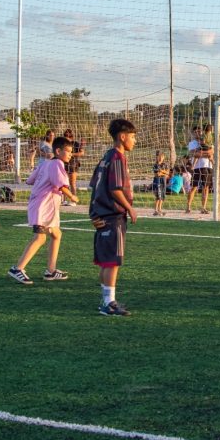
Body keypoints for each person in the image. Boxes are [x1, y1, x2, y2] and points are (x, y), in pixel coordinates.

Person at [7, 135, 78, 285]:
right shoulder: (57, 163)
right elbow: (61, 185)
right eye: (68, 151)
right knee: (40, 238)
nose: (71, 154)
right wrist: (72, 196)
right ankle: (17, 269)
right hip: (43, 207)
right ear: (58, 151)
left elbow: (29, 180)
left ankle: (50, 271)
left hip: (45, 206)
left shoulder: (45, 163)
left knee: (56, 234)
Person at [89, 118, 137, 317]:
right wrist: (130, 208)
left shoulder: (106, 156)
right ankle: (108, 303)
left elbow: (94, 186)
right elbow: (115, 189)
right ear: (122, 136)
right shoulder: (117, 157)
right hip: (113, 215)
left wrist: (93, 213)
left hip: (102, 214)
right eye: (133, 137)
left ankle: (106, 299)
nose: (134, 141)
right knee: (112, 261)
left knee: (105, 261)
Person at [186, 127, 214, 214]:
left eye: (199, 131)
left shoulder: (208, 141)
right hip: (197, 168)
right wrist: (204, 154)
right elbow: (194, 154)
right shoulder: (192, 143)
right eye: (195, 132)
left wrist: (201, 154)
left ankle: (203, 208)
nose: (198, 133)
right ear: (193, 133)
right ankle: (188, 207)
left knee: (206, 188)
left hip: (207, 167)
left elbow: (211, 152)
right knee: (194, 187)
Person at [63, 128, 85, 202]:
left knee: (72, 183)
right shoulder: (63, 144)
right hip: (64, 165)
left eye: (68, 136)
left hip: (73, 164)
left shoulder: (75, 143)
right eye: (65, 136)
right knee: (63, 183)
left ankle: (74, 200)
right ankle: (64, 200)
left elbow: (82, 153)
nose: (66, 138)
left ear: (71, 137)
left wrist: (72, 154)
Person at [152, 150, 169, 216]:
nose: (160, 158)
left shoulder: (165, 164)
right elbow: (157, 174)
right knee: (158, 196)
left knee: (162, 196)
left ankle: (160, 209)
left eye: (161, 156)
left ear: (163, 157)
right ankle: (155, 210)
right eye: (158, 156)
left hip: (163, 181)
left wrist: (162, 171)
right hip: (157, 181)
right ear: (156, 157)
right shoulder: (155, 165)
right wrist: (163, 172)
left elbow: (167, 173)